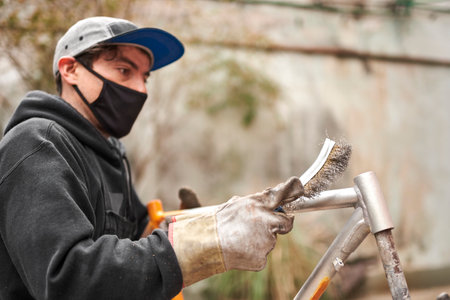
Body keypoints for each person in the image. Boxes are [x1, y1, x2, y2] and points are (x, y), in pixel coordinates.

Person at [0, 16, 304, 299]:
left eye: (145, 77)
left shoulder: (110, 152)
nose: (140, 88)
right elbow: (68, 279)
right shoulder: (37, 146)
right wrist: (203, 242)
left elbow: (134, 232)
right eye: (123, 70)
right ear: (70, 70)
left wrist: (203, 222)